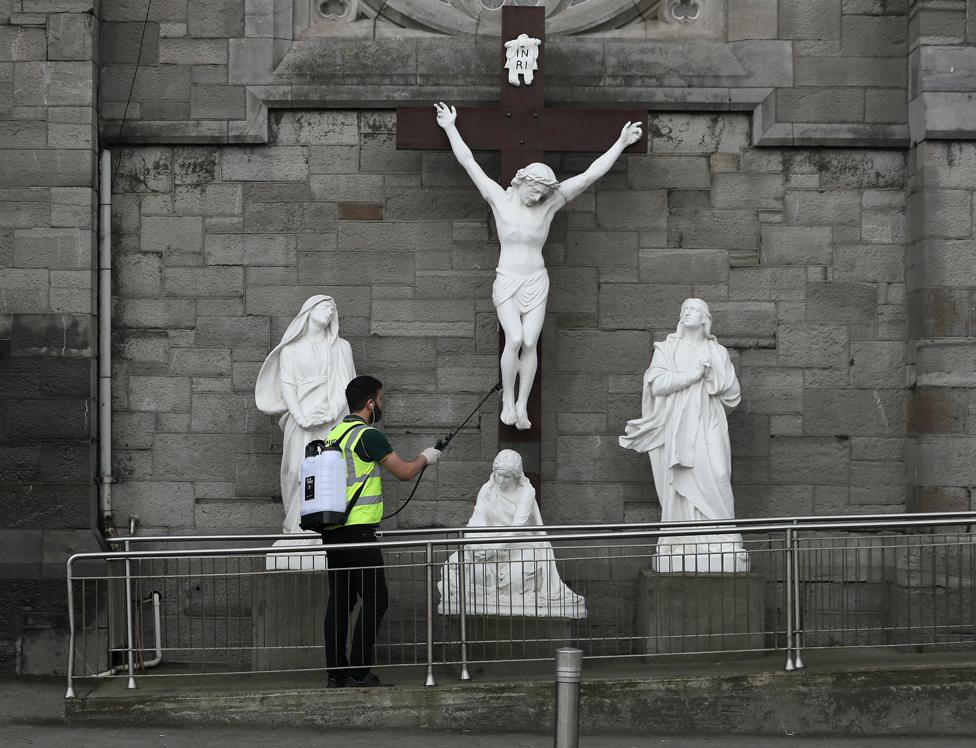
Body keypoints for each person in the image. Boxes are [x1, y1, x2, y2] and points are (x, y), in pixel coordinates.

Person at [435, 101, 642, 431]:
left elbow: (589, 176)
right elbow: (468, 162)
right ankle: (506, 400)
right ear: (523, 182)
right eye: (536, 191)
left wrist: (620, 143)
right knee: (513, 339)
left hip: (536, 279)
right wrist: (449, 126)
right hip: (508, 278)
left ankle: (521, 404)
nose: (539, 198)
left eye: (545, 193)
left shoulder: (549, 206)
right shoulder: (498, 199)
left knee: (530, 342)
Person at [319, 375, 441, 688]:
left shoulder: (336, 434)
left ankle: (337, 674)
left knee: (341, 603)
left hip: (333, 531)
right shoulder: (367, 435)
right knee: (376, 599)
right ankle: (360, 671)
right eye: (381, 399)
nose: (382, 405)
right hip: (358, 531)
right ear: (371, 403)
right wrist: (427, 457)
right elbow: (404, 471)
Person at [619, 298, 750, 573]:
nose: (687, 312)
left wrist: (712, 375)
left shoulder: (718, 352)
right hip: (677, 428)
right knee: (681, 483)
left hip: (709, 422)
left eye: (693, 309)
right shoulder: (667, 349)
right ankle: (681, 541)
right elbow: (658, 386)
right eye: (684, 310)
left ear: (705, 318)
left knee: (717, 474)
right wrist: (693, 374)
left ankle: (723, 539)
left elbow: (733, 395)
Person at [437, 449, 586, 618]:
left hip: (519, 546)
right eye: (498, 474)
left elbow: (517, 527)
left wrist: (492, 549)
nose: (500, 480)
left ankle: (490, 589)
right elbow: (475, 520)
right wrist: (472, 545)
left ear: (516, 475)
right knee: (454, 563)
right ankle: (478, 589)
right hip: (490, 542)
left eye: (506, 476)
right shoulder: (487, 489)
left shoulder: (526, 492)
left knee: (516, 577)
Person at [254, 295, 356, 535]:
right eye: (325, 307)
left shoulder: (341, 347)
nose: (330, 312)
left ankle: (327, 530)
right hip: (300, 422)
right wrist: (302, 417)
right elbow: (287, 386)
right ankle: (296, 529)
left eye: (333, 309)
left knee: (331, 472)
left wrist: (330, 413)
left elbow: (347, 385)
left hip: (332, 421)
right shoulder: (290, 350)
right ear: (308, 311)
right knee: (295, 471)